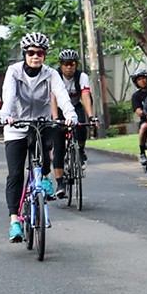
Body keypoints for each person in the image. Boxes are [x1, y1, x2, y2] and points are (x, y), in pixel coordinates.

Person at [0, 33, 77, 243]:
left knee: (53, 132)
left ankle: (44, 176)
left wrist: (70, 114)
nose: (36, 56)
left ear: (44, 55)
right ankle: (14, 221)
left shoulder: (51, 74)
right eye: (31, 53)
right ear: (25, 54)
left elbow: (62, 96)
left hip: (40, 123)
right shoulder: (13, 72)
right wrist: (6, 115)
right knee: (15, 175)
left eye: (40, 53)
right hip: (16, 126)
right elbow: (9, 96)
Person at [51, 48, 97, 200]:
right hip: (59, 108)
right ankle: (60, 183)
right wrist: (56, 119)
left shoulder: (81, 76)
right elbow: (53, 98)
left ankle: (81, 150)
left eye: (72, 64)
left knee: (82, 124)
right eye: (65, 64)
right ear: (61, 65)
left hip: (75, 107)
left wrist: (91, 117)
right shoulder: (55, 75)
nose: (69, 67)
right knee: (58, 144)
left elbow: (85, 96)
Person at [130, 69, 147, 165]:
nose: (142, 81)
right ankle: (142, 152)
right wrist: (145, 114)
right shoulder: (136, 96)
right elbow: (137, 110)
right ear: (136, 82)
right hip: (146, 119)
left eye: (143, 78)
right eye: (139, 79)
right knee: (143, 127)